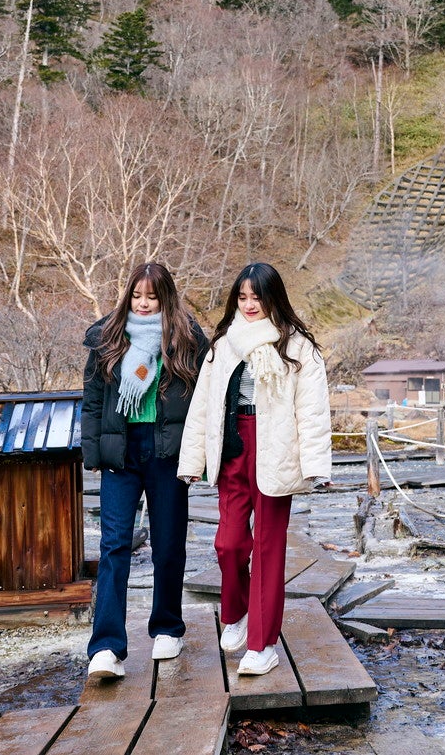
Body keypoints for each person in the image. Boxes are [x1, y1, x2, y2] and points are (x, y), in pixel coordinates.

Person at [177, 262, 332, 677]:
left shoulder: (298, 347)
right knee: (228, 544)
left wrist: (317, 465)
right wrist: (192, 462)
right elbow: (204, 407)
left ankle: (262, 645)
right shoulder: (224, 345)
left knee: (267, 548)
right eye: (242, 297)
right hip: (233, 447)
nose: (249, 304)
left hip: (277, 450)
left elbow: (312, 411)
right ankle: (236, 613)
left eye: (256, 297)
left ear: (272, 298)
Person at [81, 262, 208, 682]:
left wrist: (199, 453)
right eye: (137, 295)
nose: (143, 303)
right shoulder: (108, 338)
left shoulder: (186, 338)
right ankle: (105, 648)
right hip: (121, 452)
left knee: (168, 544)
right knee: (115, 545)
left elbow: (203, 398)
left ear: (165, 297)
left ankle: (168, 628)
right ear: (128, 295)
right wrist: (93, 452)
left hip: (167, 452)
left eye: (152, 296)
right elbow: (93, 401)